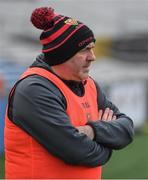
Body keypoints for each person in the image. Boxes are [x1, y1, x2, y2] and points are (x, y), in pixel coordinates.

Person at [4, 7, 134, 179]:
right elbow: (77, 152)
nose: (92, 56)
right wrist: (108, 146)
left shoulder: (89, 84)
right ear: (62, 54)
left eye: (92, 48)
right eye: (84, 49)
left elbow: (127, 129)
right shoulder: (34, 89)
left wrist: (92, 131)